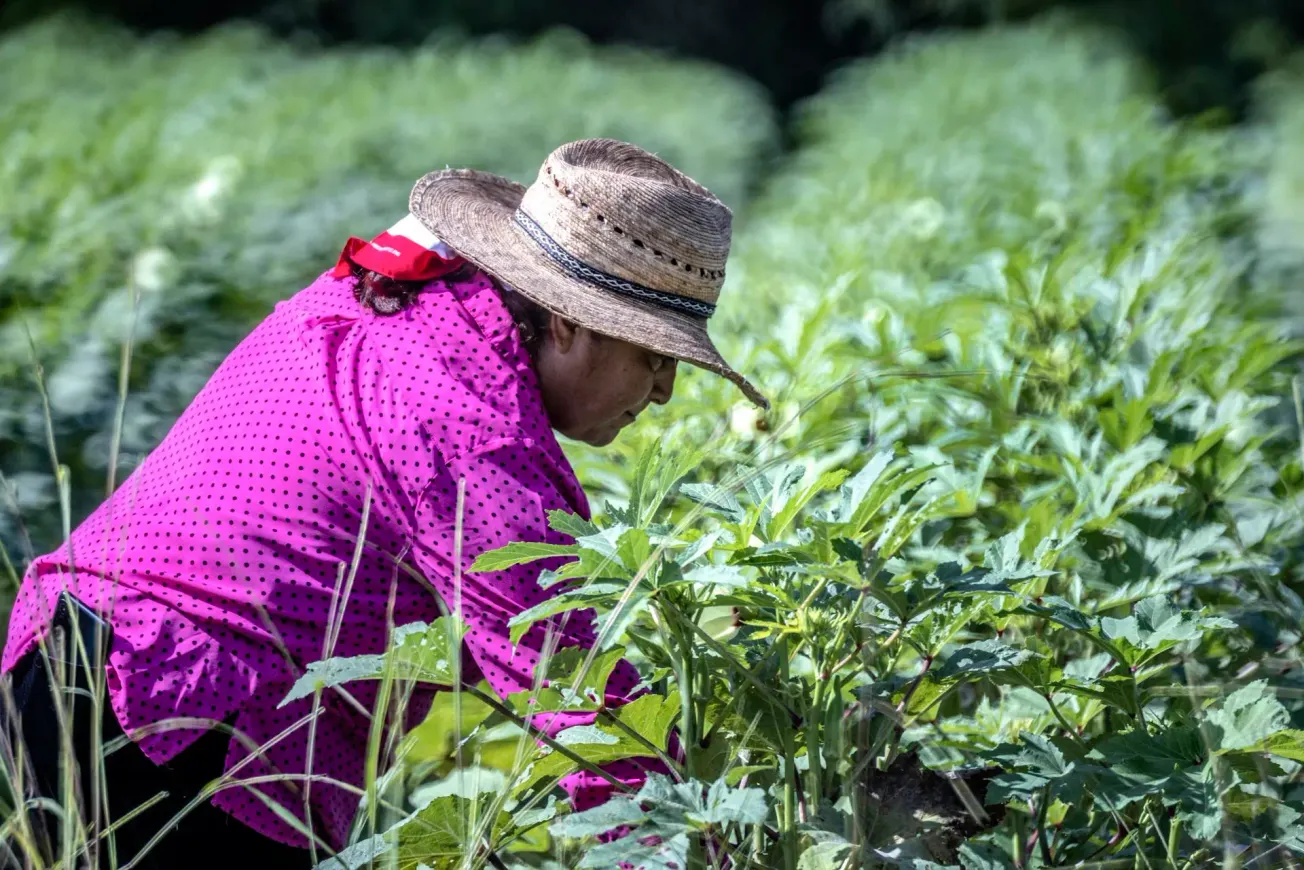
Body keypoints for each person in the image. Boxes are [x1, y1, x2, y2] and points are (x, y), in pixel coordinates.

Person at [0, 138, 766, 868]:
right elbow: (574, 688)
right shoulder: (470, 428)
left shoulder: (406, 301)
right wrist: (691, 844)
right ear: (568, 319)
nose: (664, 391)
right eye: (654, 356)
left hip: (71, 664)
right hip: (181, 720)